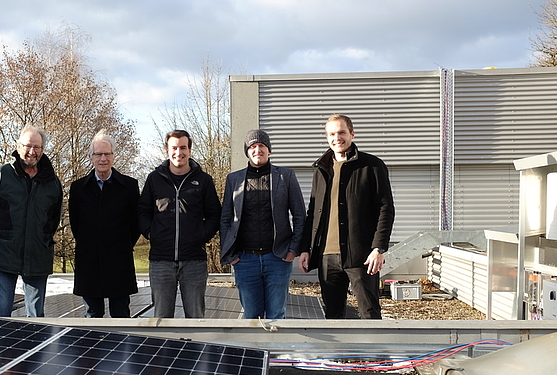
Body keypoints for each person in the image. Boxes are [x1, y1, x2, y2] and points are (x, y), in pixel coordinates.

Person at [299, 114, 395, 319]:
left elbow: (386, 209)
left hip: (361, 256)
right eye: (332, 134)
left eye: (342, 132)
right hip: (327, 256)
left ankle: (373, 352)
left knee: (369, 313)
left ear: (352, 133)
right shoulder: (321, 170)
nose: (337, 138)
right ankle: (339, 353)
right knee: (333, 315)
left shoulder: (372, 166)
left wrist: (378, 248)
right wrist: (305, 249)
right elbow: (313, 212)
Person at [0, 126, 63, 317]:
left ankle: (35, 348)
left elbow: (54, 218)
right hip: (3, 255)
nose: (32, 151)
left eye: (37, 147)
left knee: (36, 315)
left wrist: (43, 240)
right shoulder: (0, 174)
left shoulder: (52, 181)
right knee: (2, 310)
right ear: (18, 146)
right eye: (28, 146)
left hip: (38, 256)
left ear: (43, 149)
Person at [220, 129, 306, 319]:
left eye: (261, 145)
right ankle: (253, 350)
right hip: (244, 260)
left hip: (277, 259)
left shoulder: (286, 176)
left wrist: (293, 250)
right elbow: (226, 218)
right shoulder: (233, 179)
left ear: (269, 150)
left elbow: (300, 215)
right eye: (252, 146)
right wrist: (230, 255)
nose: (257, 149)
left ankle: (276, 350)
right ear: (247, 151)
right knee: (250, 316)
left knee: (277, 315)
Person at [137, 130, 221, 318]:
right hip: (160, 260)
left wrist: (201, 235)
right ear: (167, 150)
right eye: (174, 148)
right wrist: (151, 234)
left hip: (194, 261)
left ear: (190, 150)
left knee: (196, 318)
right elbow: (142, 211)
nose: (179, 152)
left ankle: (196, 348)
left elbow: (215, 215)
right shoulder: (154, 179)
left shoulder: (204, 180)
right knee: (161, 319)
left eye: (183, 147)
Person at [69, 130, 140, 317]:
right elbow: (76, 224)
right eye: (98, 154)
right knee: (92, 316)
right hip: (89, 261)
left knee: (121, 315)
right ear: (91, 157)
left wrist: (121, 245)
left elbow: (136, 223)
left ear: (113, 156)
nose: (103, 158)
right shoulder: (78, 189)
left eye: (107, 154)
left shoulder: (130, 186)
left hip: (119, 261)